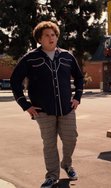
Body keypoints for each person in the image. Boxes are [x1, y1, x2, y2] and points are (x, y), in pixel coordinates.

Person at [10, 21, 84, 188]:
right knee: (49, 145)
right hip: (42, 111)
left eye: (53, 35)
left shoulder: (67, 56)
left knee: (71, 139)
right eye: (47, 35)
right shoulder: (30, 58)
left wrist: (77, 97)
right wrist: (25, 105)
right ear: (39, 39)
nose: (51, 38)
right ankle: (52, 176)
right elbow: (15, 81)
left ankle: (67, 164)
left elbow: (79, 78)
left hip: (67, 108)